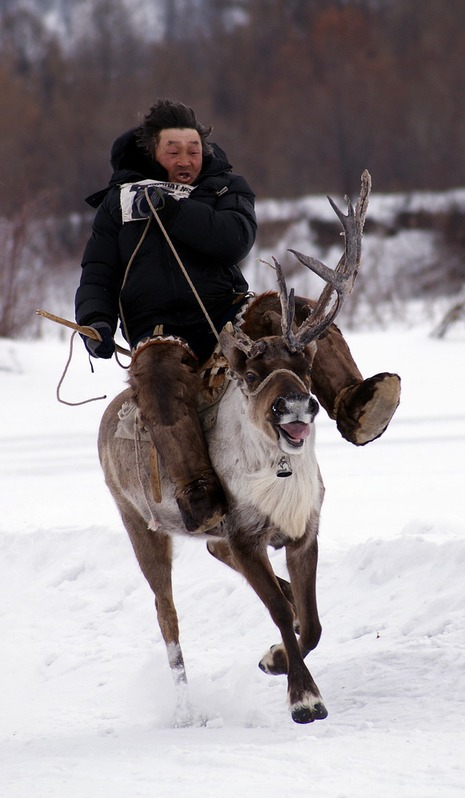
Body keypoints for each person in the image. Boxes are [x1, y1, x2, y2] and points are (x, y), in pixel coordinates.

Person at [75, 98, 400, 534]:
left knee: (295, 312)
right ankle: (198, 491)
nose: (186, 160)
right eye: (173, 151)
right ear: (152, 152)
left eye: (193, 149)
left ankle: (352, 403)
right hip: (159, 330)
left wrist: (173, 208)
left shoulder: (226, 188)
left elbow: (232, 241)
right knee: (156, 373)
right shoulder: (118, 205)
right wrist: (96, 321)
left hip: (226, 314)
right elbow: (98, 271)